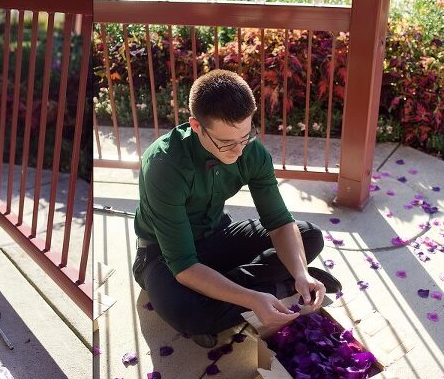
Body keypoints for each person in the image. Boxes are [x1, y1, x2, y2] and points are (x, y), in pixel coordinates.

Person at [132, 69, 341, 348]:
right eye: (227, 142)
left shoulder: (250, 152)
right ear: (196, 126)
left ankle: (273, 284)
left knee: (309, 236)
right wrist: (253, 299)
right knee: (189, 313)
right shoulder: (163, 166)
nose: (239, 150)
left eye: (246, 136)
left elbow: (279, 222)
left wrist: (301, 272)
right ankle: (275, 287)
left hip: (217, 236)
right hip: (163, 256)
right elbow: (183, 265)